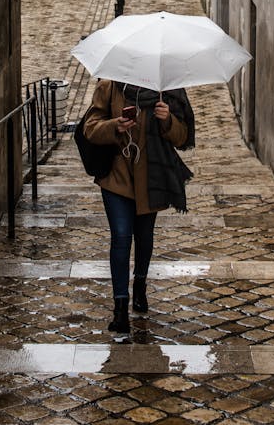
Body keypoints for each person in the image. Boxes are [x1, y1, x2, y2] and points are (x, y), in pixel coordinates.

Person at [82, 80, 195, 338]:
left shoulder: (166, 89)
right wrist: (114, 126)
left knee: (144, 237)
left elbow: (181, 137)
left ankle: (140, 284)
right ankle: (120, 307)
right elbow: (90, 127)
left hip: (151, 178)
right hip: (117, 177)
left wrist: (167, 120)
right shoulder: (109, 86)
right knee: (121, 236)